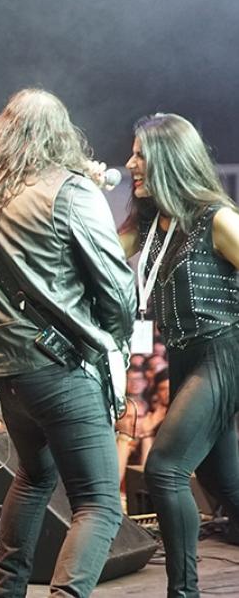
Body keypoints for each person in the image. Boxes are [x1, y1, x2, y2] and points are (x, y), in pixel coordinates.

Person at [0, 88, 136, 598]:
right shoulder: (69, 190)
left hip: (1, 376)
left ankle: (6, 592)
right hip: (59, 367)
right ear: (63, 136)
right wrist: (111, 336)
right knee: (100, 503)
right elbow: (116, 288)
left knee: (34, 476)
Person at [120, 113, 239, 598]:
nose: (130, 164)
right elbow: (93, 252)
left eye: (139, 155)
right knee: (224, 481)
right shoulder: (148, 224)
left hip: (223, 353)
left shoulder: (217, 217)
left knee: (165, 468)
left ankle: (182, 593)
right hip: (184, 359)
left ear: (170, 160)